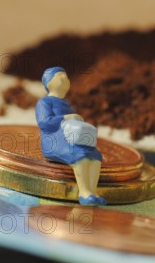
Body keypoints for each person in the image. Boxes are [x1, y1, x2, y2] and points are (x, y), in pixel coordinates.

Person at [35, 67, 107, 206]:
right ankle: (84, 193)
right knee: (80, 155)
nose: (64, 79)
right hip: (54, 140)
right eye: (59, 75)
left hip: (71, 138)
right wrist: (65, 117)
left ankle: (93, 192)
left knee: (95, 156)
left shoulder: (68, 105)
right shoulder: (44, 102)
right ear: (48, 82)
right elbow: (44, 123)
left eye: (66, 76)